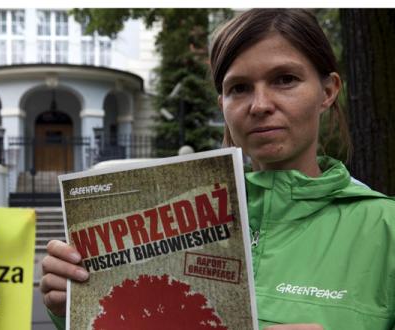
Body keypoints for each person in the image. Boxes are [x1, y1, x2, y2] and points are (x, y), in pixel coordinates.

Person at [39, 9, 395, 330]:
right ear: (222, 103)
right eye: (239, 88)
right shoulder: (171, 217)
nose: (259, 105)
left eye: (284, 79)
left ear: (328, 91)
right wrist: (75, 307)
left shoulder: (385, 230)